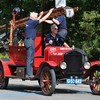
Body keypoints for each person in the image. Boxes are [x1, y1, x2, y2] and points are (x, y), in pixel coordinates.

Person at [24, 8, 54, 79]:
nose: (36, 17)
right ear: (33, 17)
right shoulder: (32, 22)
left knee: (30, 57)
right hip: (30, 41)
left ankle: (29, 73)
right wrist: (50, 12)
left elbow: (37, 20)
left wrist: (40, 15)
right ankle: (29, 74)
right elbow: (43, 19)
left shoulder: (29, 22)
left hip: (28, 40)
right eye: (36, 16)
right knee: (30, 58)